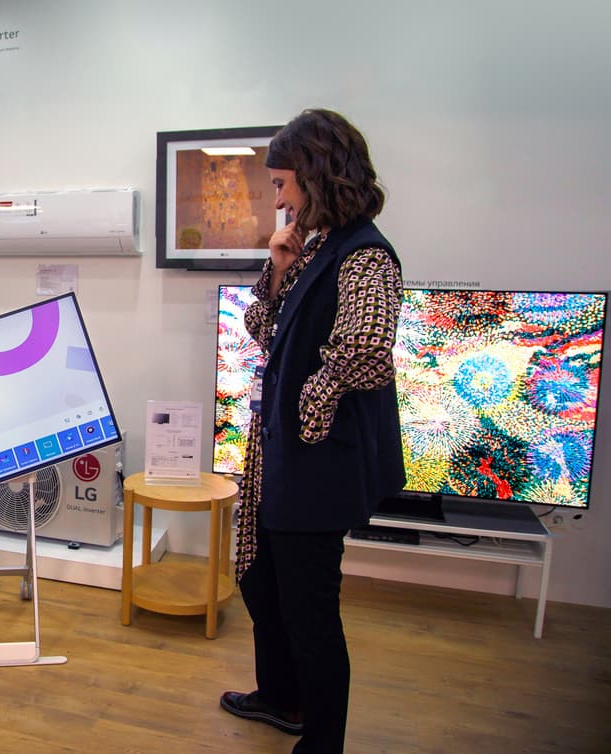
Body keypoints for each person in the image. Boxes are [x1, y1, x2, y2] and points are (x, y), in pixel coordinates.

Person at [219, 109, 405, 754]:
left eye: (281, 184)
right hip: (283, 455)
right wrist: (277, 268)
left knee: (310, 610)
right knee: (262, 582)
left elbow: (365, 351)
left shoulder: (366, 254)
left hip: (315, 462)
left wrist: (306, 409)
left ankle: (321, 742)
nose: (278, 200)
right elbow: (263, 331)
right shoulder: (315, 246)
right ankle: (282, 697)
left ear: (316, 174)